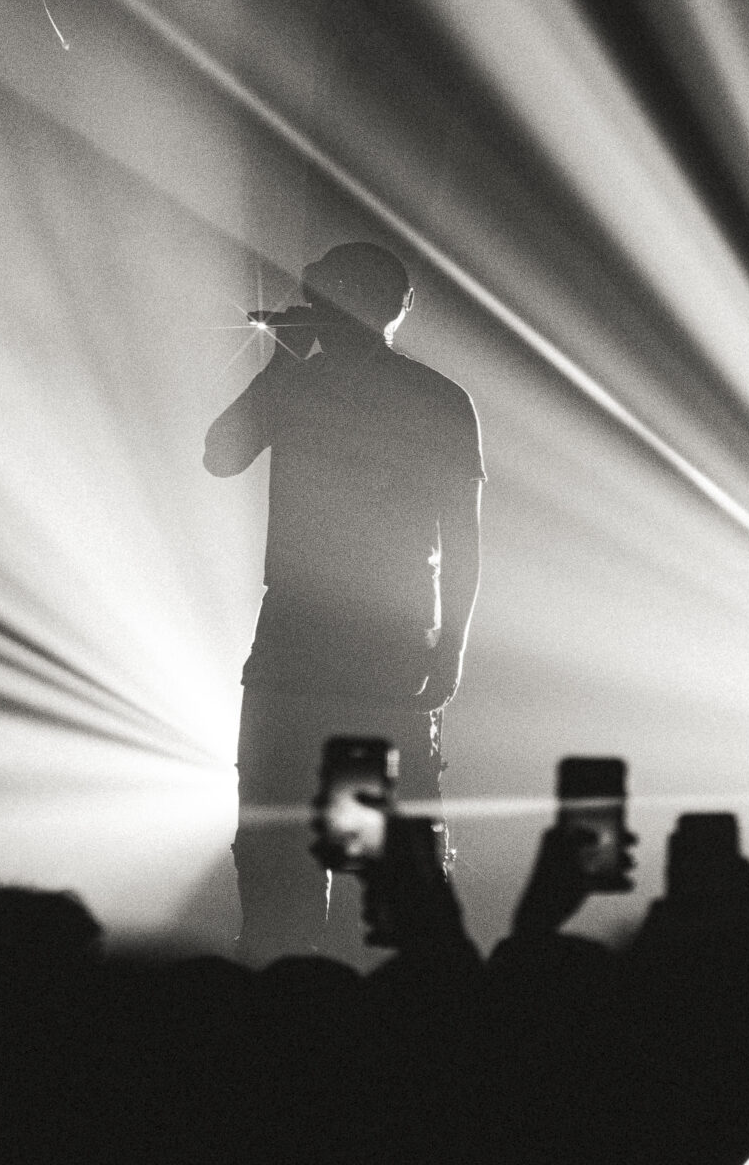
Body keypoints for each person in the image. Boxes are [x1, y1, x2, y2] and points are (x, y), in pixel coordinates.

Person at [204, 242, 483, 961]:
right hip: (373, 645)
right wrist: (448, 648)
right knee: (371, 847)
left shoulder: (310, 385)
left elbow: (220, 454)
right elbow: (464, 542)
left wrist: (282, 367)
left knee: (289, 843)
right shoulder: (434, 395)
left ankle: (292, 992)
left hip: (319, 645)